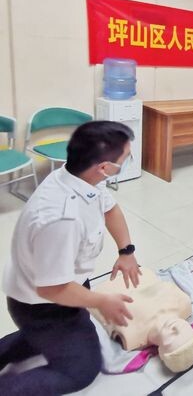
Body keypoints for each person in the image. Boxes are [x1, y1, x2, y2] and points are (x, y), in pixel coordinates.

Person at [0, 121, 140, 395]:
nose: (126, 162)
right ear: (104, 167)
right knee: (81, 369)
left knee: (49, 338)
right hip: (41, 306)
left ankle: (39, 337)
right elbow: (52, 289)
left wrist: (126, 251)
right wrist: (101, 301)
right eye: (125, 158)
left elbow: (110, 209)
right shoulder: (62, 218)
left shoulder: (78, 177)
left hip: (58, 287)